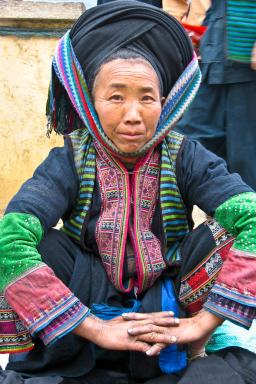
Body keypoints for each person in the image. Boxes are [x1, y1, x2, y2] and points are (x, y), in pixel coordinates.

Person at [0, 1, 255, 383]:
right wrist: (95, 327)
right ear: (90, 102)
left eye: (147, 98)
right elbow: (12, 234)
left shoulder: (184, 154)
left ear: (164, 103)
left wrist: (203, 322)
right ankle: (63, 344)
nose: (133, 114)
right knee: (27, 243)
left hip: (171, 301)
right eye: (116, 97)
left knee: (231, 227)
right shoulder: (71, 156)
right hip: (84, 298)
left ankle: (193, 345)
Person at [175, 0, 256, 191]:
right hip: (216, 56)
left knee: (245, 158)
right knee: (189, 145)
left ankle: (244, 216)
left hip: (247, 64)